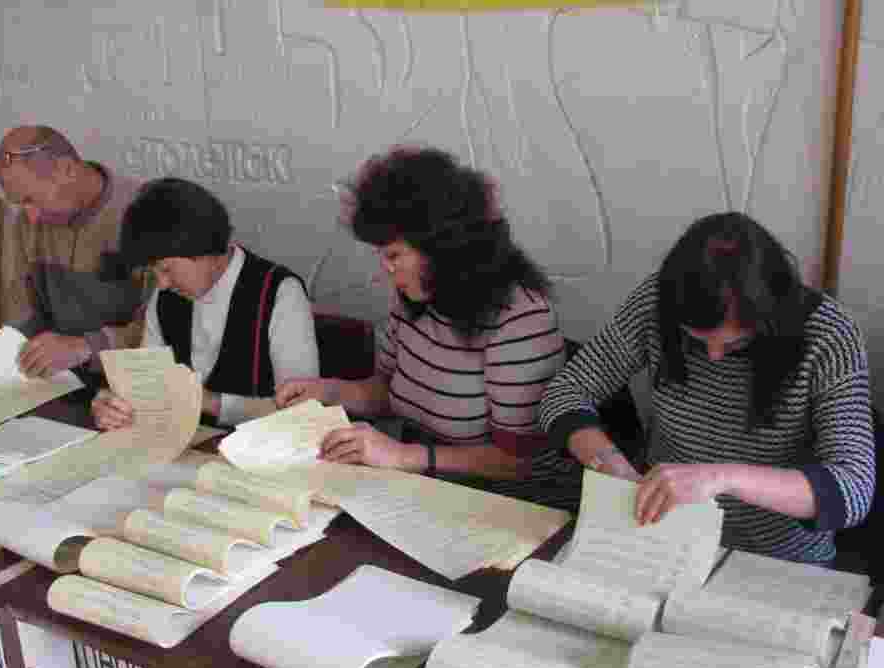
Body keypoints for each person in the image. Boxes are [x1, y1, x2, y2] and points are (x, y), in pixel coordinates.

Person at [539, 211, 875, 564]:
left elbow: (852, 491)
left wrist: (722, 477)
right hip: (664, 539)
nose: (713, 357)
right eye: (695, 340)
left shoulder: (829, 336)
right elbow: (565, 392)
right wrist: (609, 463)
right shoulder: (658, 302)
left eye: (733, 345)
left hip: (777, 561)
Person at [276, 147, 579, 508]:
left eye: (393, 256)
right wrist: (329, 391)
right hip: (431, 490)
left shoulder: (519, 318)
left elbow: (520, 461)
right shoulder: (414, 301)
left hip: (510, 505)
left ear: (442, 248)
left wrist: (403, 456)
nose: (385, 270)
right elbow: (389, 391)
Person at [91, 177, 319, 428]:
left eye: (166, 269)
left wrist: (208, 402)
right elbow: (148, 385)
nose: (163, 284)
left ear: (204, 249)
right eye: (154, 272)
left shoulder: (279, 293)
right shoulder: (166, 296)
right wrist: (113, 404)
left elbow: (301, 411)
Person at [0, 125, 147, 383]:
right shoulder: (28, 222)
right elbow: (22, 310)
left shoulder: (145, 215)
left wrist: (84, 347)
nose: (30, 216)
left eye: (31, 199)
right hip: (59, 383)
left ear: (67, 170)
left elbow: (164, 334)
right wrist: (10, 350)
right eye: (19, 203)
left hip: (131, 383)